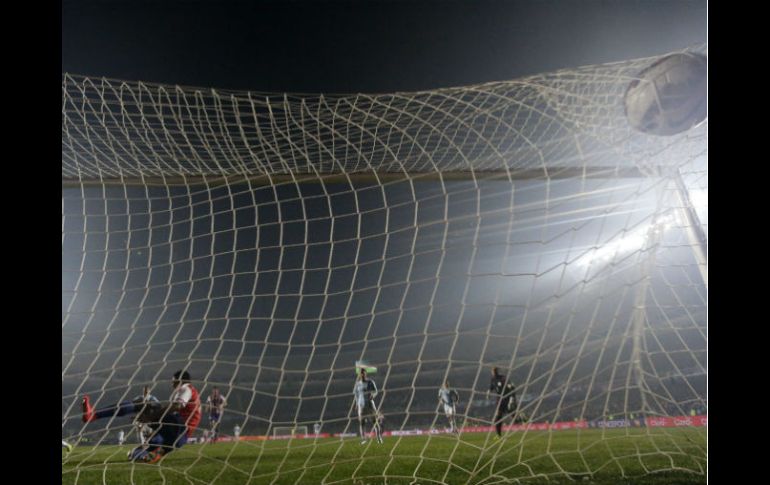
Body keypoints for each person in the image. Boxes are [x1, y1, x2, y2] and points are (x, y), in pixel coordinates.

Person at [354, 367, 383, 444]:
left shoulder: (370, 382)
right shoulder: (357, 384)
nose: (362, 374)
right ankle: (363, 439)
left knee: (375, 421)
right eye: (361, 373)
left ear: (365, 373)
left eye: (363, 372)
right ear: (359, 374)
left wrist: (373, 395)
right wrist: (356, 404)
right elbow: (356, 395)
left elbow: (376, 391)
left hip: (370, 404)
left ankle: (379, 438)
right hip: (361, 405)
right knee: (362, 422)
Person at [488, 367, 518, 439]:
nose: (494, 372)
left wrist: (512, 397)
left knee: (512, 413)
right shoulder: (493, 379)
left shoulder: (503, 378)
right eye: (493, 371)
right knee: (498, 417)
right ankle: (498, 435)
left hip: (507, 398)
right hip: (500, 400)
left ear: (497, 371)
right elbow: (491, 387)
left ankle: (521, 421)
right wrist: (488, 392)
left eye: (495, 371)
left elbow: (511, 386)